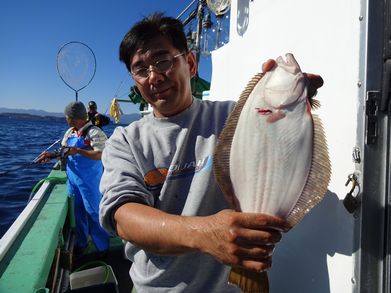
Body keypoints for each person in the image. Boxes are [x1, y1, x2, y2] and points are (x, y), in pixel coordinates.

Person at [99, 13, 323, 292]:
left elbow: (282, 144)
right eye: (141, 69)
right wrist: (206, 235)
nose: (154, 76)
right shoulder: (125, 140)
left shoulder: (236, 116)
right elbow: (123, 217)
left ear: (190, 64)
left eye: (163, 61)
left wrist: (298, 103)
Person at [38, 101, 109, 257]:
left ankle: (102, 248)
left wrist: (78, 150)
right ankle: (81, 243)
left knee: (93, 213)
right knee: (77, 214)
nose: (66, 119)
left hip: (89, 182)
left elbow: (101, 154)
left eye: (67, 116)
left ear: (73, 117)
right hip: (73, 180)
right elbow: (64, 149)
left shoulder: (94, 132)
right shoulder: (70, 132)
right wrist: (50, 155)